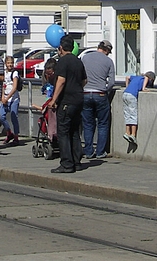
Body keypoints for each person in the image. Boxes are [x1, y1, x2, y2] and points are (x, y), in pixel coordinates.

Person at [49, 35, 87, 174]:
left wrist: (53, 100)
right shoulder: (78, 61)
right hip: (79, 99)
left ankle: (67, 163)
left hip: (67, 101)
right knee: (75, 131)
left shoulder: (63, 61)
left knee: (63, 132)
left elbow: (61, 81)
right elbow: (85, 80)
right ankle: (77, 161)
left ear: (61, 48)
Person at [81, 40, 116, 159]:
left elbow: (80, 75)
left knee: (88, 124)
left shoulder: (85, 58)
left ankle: (88, 151)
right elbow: (111, 83)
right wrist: (105, 90)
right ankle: (100, 152)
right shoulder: (109, 61)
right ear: (106, 50)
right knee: (102, 123)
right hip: (101, 94)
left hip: (85, 93)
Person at [122, 71, 155, 147]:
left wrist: (127, 87)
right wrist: (143, 89)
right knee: (133, 115)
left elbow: (127, 77)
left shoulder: (137, 77)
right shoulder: (144, 78)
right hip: (132, 96)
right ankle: (133, 135)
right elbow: (146, 77)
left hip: (125, 94)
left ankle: (127, 133)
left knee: (127, 114)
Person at [0, 55, 21, 145]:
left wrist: (8, 97)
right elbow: (2, 85)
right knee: (1, 116)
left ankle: (16, 136)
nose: (10, 65)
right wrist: (2, 97)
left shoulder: (14, 73)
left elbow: (14, 87)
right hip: (5, 98)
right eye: (8, 63)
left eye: (11, 63)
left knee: (13, 116)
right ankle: (9, 132)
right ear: (5, 64)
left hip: (13, 98)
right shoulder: (4, 73)